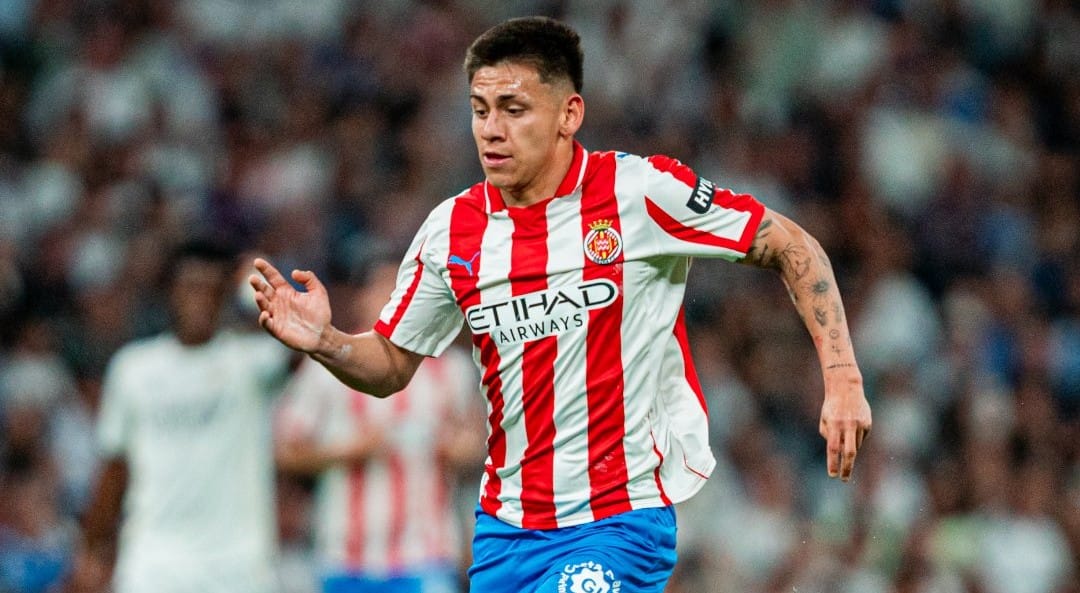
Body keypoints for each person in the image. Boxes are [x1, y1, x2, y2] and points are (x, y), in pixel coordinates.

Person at [249, 16, 872, 593]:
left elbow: (791, 244)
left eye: (514, 109)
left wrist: (842, 377)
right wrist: (328, 341)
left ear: (569, 113)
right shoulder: (451, 231)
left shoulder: (638, 192)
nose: (491, 130)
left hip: (618, 520)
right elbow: (391, 364)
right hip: (505, 532)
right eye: (480, 110)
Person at [73, 240, 294, 593]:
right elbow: (115, 467)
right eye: (191, 287)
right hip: (155, 563)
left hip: (238, 566)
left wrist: (250, 285)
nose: (201, 300)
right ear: (169, 292)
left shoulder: (250, 363)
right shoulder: (134, 369)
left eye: (212, 289)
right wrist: (91, 549)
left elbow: (304, 345)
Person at [274, 257, 483, 593]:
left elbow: (477, 445)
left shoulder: (450, 369)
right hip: (346, 556)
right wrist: (347, 451)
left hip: (426, 552)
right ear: (361, 297)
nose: (393, 298)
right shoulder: (328, 365)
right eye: (383, 289)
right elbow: (286, 452)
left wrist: (459, 449)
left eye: (401, 289)